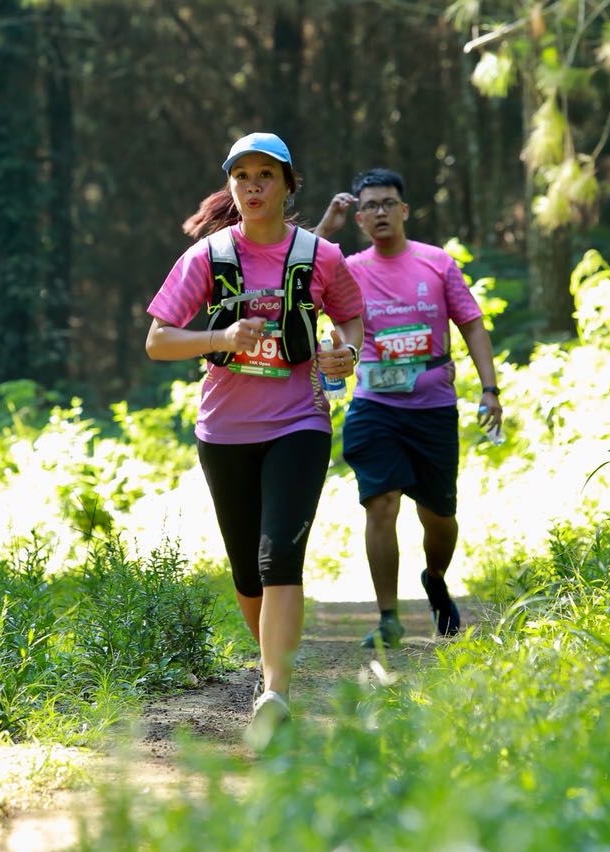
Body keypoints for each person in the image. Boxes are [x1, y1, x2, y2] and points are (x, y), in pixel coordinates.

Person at [146, 131, 364, 748]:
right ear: (230, 187)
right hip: (224, 432)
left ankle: (275, 692)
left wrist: (342, 352)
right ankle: (272, 669)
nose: (253, 186)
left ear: (289, 184)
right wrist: (220, 339)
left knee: (279, 559)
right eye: (242, 176)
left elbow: (349, 316)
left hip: (299, 423)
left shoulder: (319, 256)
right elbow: (159, 340)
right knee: (247, 572)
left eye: (265, 174)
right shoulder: (208, 257)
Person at [314, 168, 503, 649]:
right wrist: (325, 230)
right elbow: (294, 280)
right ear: (359, 217)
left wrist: (490, 389)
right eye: (369, 205)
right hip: (374, 405)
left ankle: (435, 579)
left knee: (438, 518)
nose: (379, 212)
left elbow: (473, 325)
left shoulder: (437, 263)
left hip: (434, 407)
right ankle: (388, 617)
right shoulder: (349, 267)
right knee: (381, 503)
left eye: (387, 203)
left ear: (403, 210)